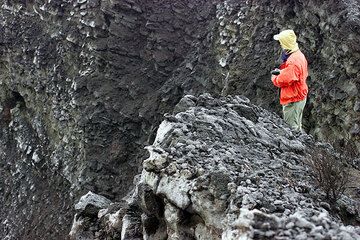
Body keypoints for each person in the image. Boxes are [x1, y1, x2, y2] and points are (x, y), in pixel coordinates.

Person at [271, 29, 308, 131]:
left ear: (285, 43)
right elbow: (293, 74)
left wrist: (275, 77)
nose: (280, 45)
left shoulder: (293, 61)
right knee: (297, 123)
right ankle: (303, 142)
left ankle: (296, 145)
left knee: (291, 127)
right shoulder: (298, 54)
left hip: (293, 97)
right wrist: (282, 71)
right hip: (299, 94)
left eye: (281, 42)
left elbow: (283, 80)